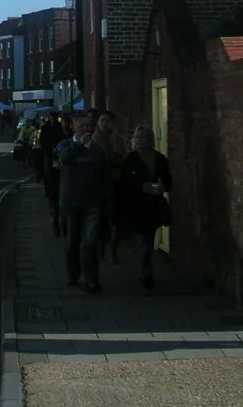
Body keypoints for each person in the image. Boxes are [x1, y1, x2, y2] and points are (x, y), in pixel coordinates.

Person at [116, 125, 172, 290]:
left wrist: (162, 186)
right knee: (144, 242)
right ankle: (145, 274)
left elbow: (169, 182)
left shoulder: (160, 159)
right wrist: (141, 186)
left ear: (151, 140)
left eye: (145, 138)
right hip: (136, 206)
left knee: (147, 240)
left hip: (154, 205)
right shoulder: (130, 160)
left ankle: (144, 271)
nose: (141, 141)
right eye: (138, 138)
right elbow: (123, 183)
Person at [57, 111, 108, 292]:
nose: (86, 129)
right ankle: (73, 274)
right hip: (71, 203)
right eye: (82, 126)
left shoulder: (98, 150)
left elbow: (104, 176)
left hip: (92, 203)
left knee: (90, 242)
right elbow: (64, 158)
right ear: (73, 127)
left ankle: (92, 279)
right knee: (72, 242)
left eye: (88, 126)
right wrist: (80, 145)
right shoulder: (64, 145)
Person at [93, 110, 127, 258]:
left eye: (107, 121)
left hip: (114, 181)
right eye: (101, 121)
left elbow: (121, 157)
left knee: (115, 218)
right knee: (99, 218)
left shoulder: (117, 138)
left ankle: (113, 251)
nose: (104, 124)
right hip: (98, 181)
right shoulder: (93, 139)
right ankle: (100, 249)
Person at [39, 113, 67, 234]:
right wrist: (49, 148)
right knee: (47, 171)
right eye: (51, 118)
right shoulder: (45, 128)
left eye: (54, 119)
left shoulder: (60, 127)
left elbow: (63, 138)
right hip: (49, 153)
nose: (52, 120)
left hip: (59, 154)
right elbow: (42, 139)